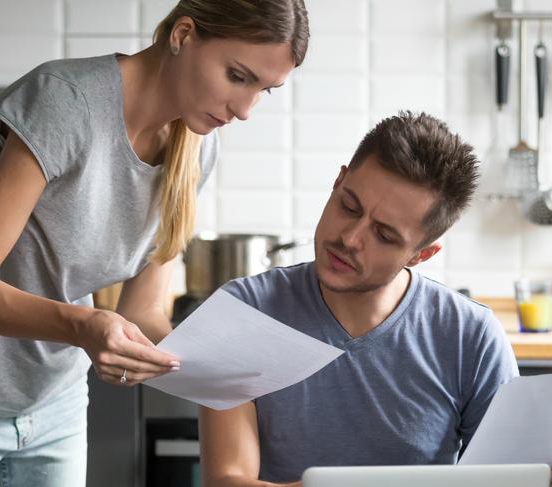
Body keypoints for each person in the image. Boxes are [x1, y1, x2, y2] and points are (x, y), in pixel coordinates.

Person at [0, 1, 310, 486]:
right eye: (237, 76)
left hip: (56, 407)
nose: (245, 110)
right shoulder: (64, 101)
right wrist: (88, 326)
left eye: (264, 90)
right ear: (183, 35)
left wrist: (228, 365)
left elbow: (141, 312)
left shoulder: (198, 147)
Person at [199, 111, 519, 487]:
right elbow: (227, 480)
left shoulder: (472, 337)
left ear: (420, 255)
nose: (350, 238)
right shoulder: (244, 311)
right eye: (349, 206)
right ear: (338, 182)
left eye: (384, 235)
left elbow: (511, 478)